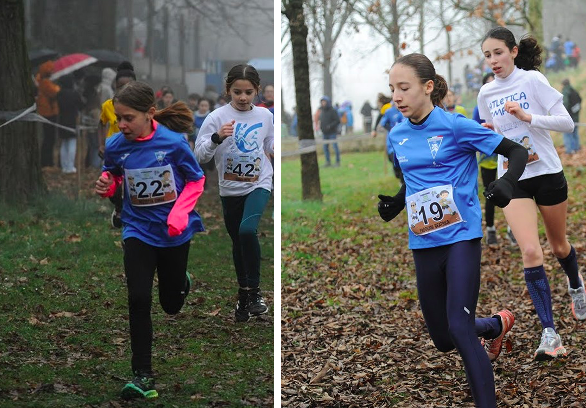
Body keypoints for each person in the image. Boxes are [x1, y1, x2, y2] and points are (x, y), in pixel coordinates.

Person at [378, 53, 528, 408]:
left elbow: (516, 152)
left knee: (460, 329)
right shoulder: (397, 134)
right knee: (443, 339)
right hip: (423, 242)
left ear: (428, 87)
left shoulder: (456, 125)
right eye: (392, 89)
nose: (396, 97)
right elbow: (416, 178)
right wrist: (398, 201)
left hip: (461, 237)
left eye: (404, 88)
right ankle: (494, 326)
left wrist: (507, 182)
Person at [477, 27, 586, 361]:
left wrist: (528, 117)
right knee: (529, 251)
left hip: (547, 173)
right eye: (487, 55)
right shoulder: (485, 93)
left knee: (558, 246)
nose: (493, 60)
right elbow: (494, 133)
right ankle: (549, 334)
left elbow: (567, 123)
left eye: (498, 52)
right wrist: (488, 132)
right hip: (514, 179)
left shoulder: (533, 80)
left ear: (513, 51)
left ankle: (576, 283)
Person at [94, 81, 205, 400]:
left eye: (128, 118)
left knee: (170, 305)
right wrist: (108, 186)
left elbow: (196, 180)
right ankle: (142, 375)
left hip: (173, 233)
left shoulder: (173, 143)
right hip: (137, 230)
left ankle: (180, 282)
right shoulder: (116, 145)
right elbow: (114, 174)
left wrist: (179, 214)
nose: (122, 124)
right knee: (138, 298)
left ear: (150, 114)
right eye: (119, 118)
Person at [194, 64, 273, 323]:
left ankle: (256, 293)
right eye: (237, 92)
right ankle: (244, 294)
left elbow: (269, 142)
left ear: (256, 91)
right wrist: (216, 138)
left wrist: (276, 150)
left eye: (248, 92)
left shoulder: (265, 116)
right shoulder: (216, 117)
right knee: (238, 242)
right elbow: (199, 155)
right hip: (229, 189)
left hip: (259, 182)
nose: (242, 97)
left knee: (247, 231)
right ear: (228, 89)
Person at [472, 72, 512, 246]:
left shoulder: (509, 103)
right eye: (489, 84)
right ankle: (490, 229)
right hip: (488, 158)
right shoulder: (478, 109)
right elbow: (475, 130)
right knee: (491, 193)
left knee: (512, 192)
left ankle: (512, 230)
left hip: (508, 156)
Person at [98, 61, 137, 228]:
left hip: (134, 148)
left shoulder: (140, 106)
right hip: (113, 150)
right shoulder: (108, 105)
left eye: (128, 87)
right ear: (115, 86)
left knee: (128, 182)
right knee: (110, 183)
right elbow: (101, 124)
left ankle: (124, 210)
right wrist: (101, 145)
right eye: (120, 87)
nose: (124, 90)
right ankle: (117, 204)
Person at [56, 75, 83, 174]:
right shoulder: (74, 94)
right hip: (73, 120)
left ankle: (64, 167)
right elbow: (81, 105)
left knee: (64, 144)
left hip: (62, 119)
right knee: (72, 143)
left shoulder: (59, 94)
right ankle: (70, 166)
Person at [36, 61, 61, 168]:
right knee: (49, 138)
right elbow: (55, 92)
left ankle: (47, 160)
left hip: (47, 112)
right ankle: (47, 161)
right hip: (49, 113)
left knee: (48, 138)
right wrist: (57, 87)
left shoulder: (42, 81)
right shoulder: (45, 82)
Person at [318, 96, 341, 167]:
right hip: (324, 133)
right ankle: (328, 162)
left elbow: (337, 120)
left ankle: (337, 162)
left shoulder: (333, 110)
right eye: (322, 102)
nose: (323, 103)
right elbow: (321, 120)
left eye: (324, 102)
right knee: (325, 148)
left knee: (335, 147)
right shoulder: (322, 111)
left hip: (332, 132)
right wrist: (321, 127)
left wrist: (330, 126)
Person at [561, 78, 582, 154]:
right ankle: (577, 148)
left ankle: (570, 151)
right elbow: (580, 100)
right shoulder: (574, 91)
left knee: (567, 134)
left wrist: (563, 115)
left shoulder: (565, 91)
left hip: (569, 117)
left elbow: (565, 104)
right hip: (576, 117)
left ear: (563, 84)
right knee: (575, 133)